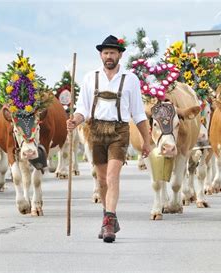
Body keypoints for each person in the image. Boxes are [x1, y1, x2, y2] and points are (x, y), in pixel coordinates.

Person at [67, 35, 151, 243]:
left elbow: (138, 114)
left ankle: (109, 221)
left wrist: (147, 141)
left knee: (113, 176)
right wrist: (75, 121)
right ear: (100, 55)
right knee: (102, 179)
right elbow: (82, 110)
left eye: (113, 52)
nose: (109, 56)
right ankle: (108, 217)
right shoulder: (90, 78)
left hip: (119, 132)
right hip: (95, 130)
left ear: (120, 55)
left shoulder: (130, 79)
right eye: (105, 52)